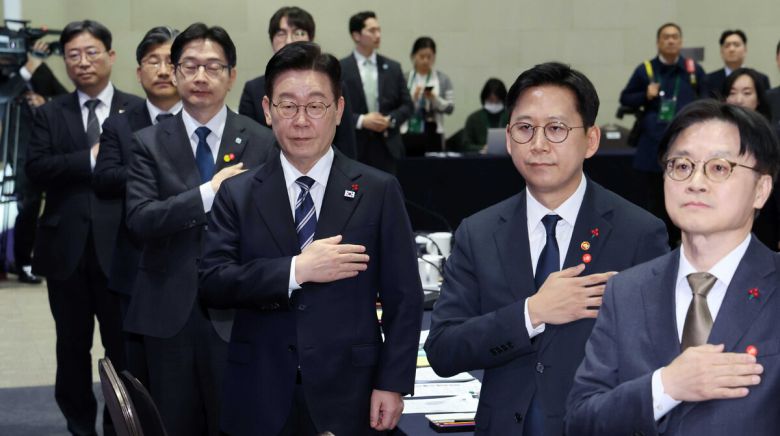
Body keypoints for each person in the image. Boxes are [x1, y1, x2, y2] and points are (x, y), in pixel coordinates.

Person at [423, 62, 669, 436]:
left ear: (591, 140)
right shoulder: (479, 232)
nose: (538, 144)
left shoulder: (638, 233)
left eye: (556, 128)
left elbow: (660, 359)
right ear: (508, 139)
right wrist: (531, 313)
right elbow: (443, 350)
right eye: (525, 129)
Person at [199, 41, 423, 436]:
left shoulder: (378, 190)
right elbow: (213, 283)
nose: (301, 120)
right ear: (268, 110)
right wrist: (295, 270)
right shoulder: (238, 193)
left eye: (316, 105)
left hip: (352, 391)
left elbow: (404, 298)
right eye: (288, 105)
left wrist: (393, 382)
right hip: (259, 389)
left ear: (338, 109)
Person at [567, 99, 780, 435]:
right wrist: (665, 387)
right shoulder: (626, 291)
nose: (695, 182)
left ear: (761, 190)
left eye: (719, 167)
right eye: (681, 165)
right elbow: (581, 420)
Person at [124, 23, 275, 436]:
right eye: (189, 66)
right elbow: (140, 219)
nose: (201, 76)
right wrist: (209, 192)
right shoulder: (147, 142)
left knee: (238, 423)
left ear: (232, 75)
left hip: (241, 311)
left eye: (212, 66)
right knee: (173, 424)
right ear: (175, 73)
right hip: (168, 312)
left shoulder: (262, 141)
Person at [26, 19, 143, 436]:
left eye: (91, 52)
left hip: (122, 248)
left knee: (122, 347)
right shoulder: (49, 112)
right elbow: (36, 168)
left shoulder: (136, 110)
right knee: (71, 347)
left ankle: (119, 426)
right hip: (66, 250)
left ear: (110, 56)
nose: (82, 62)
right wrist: (90, 159)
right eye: (72, 55)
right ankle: (79, 426)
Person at [92, 25, 181, 388]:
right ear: (139, 71)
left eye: (171, 61)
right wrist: (153, 170)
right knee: (130, 370)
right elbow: (104, 178)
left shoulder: (206, 124)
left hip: (194, 266)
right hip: (136, 265)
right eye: (152, 61)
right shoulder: (120, 124)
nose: (163, 70)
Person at [620, 23, 707, 245]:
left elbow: (708, 101)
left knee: (685, 195)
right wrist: (645, 95)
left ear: (681, 41)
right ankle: (655, 244)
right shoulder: (646, 70)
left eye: (675, 37)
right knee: (655, 200)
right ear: (658, 42)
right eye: (666, 37)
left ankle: (683, 242)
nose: (670, 41)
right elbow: (626, 98)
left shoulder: (693, 70)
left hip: (687, 147)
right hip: (653, 148)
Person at [238, 6, 357, 158]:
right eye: (281, 33)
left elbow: (346, 144)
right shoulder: (253, 89)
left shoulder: (333, 85)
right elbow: (249, 147)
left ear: (311, 38)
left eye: (298, 33)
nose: (289, 40)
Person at [0, 39, 67, 284]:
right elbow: (4, 94)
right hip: (18, 148)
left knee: (53, 203)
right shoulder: (18, 70)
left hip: (48, 145)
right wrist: (29, 66)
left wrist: (45, 101)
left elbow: (65, 97)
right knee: (27, 204)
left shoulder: (39, 69)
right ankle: (22, 262)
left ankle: (45, 257)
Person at [340, 11, 413, 174]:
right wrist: (361, 120)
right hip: (355, 148)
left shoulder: (393, 68)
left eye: (379, 30)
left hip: (388, 148)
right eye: (372, 30)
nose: (378, 35)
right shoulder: (341, 68)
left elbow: (408, 105)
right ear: (356, 35)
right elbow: (334, 108)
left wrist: (390, 120)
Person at [722, 68, 780, 251]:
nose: (739, 99)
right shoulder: (713, 136)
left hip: (765, 218)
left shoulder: (771, 137)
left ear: (758, 99)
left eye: (747, 93)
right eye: (732, 93)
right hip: (724, 216)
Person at [400, 36, 454, 155]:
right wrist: (413, 98)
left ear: (434, 57)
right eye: (421, 56)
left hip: (433, 131)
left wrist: (434, 98)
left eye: (429, 57)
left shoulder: (443, 79)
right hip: (408, 131)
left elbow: (450, 108)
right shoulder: (404, 78)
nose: (425, 61)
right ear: (413, 56)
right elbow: (398, 107)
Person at [706, 30, 770, 99]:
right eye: (727, 46)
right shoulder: (708, 80)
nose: (732, 49)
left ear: (745, 49)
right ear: (721, 51)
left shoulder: (761, 79)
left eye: (736, 45)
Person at [458, 77, 507, 153]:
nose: (494, 104)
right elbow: (465, 145)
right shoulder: (474, 118)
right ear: (484, 99)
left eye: (497, 101)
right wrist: (481, 148)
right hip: (480, 158)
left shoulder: (510, 116)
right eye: (491, 101)